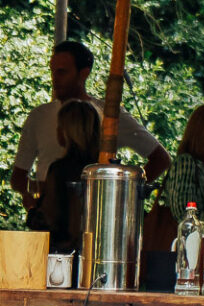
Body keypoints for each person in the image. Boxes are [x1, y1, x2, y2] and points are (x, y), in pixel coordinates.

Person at [9, 38, 166, 198]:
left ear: (84, 73)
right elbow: (18, 179)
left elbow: (160, 159)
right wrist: (42, 194)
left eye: (62, 71)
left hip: (97, 216)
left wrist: (124, 195)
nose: (54, 78)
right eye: (53, 71)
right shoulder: (39, 116)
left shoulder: (111, 115)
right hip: (51, 218)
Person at [26, 97, 102, 250]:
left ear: (67, 131)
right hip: (95, 254)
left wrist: (32, 208)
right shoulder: (101, 170)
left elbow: (49, 220)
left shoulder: (60, 170)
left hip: (64, 257)